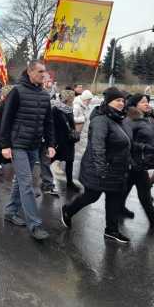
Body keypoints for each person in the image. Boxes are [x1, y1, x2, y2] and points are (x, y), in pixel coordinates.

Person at [61, 87, 132, 244]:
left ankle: (111, 231)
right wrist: (101, 169)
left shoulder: (122, 119)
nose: (121, 103)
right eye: (117, 100)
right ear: (108, 102)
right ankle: (68, 210)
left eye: (122, 100)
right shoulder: (101, 120)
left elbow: (128, 143)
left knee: (114, 199)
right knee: (92, 196)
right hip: (99, 168)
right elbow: (97, 146)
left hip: (117, 169)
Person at [0, 61, 55, 241]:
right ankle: (35, 224)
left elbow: (48, 122)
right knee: (27, 183)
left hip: (34, 144)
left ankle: (10, 211)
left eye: (44, 72)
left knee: (21, 181)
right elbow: (6, 120)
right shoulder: (17, 91)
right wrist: (5, 145)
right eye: (40, 71)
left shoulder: (45, 95)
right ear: (30, 72)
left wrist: (51, 144)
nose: (43, 74)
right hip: (17, 144)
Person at [122, 94, 154, 226]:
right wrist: (146, 148)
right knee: (145, 193)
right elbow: (126, 142)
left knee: (126, 188)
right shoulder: (130, 120)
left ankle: (119, 208)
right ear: (134, 105)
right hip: (134, 163)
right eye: (143, 102)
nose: (147, 104)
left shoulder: (146, 118)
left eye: (148, 101)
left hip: (141, 162)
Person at [52, 90, 80, 191]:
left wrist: (74, 134)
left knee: (70, 161)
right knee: (50, 160)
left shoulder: (69, 109)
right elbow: (52, 125)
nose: (73, 100)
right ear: (66, 99)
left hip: (68, 140)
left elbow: (71, 124)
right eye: (71, 98)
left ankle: (69, 182)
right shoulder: (56, 109)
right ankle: (45, 180)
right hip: (59, 140)